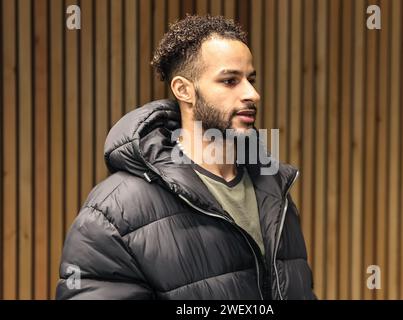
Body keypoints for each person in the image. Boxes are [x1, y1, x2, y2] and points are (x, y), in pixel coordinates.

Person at [56, 14, 315, 300]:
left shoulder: (275, 190)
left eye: (250, 79)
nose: (252, 94)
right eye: (230, 81)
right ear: (184, 90)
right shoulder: (114, 211)